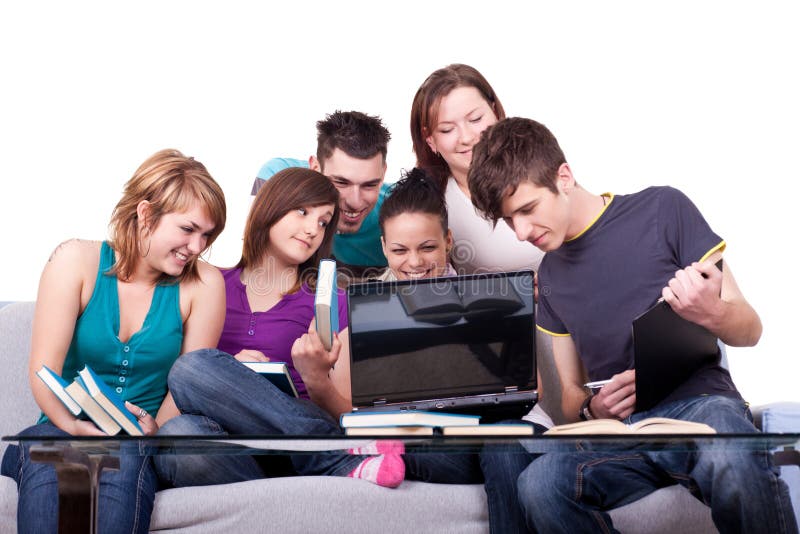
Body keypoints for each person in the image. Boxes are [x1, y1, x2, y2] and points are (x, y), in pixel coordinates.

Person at [468, 117, 798, 533]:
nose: (520, 232)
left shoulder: (663, 209)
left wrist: (710, 312)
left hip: (699, 408)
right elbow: (569, 396)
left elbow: (750, 330)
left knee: (729, 452)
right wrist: (593, 407)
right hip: (619, 433)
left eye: (528, 210)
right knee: (539, 483)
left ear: (563, 177)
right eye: (508, 219)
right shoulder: (549, 276)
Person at [0, 149, 228, 534]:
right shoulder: (75, 260)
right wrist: (72, 426)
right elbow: (44, 371)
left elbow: (187, 386)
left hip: (137, 439)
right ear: (145, 214)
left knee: (117, 473)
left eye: (207, 235)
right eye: (188, 229)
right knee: (54, 470)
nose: (197, 246)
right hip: (59, 426)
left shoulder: (204, 285)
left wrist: (153, 428)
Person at [155, 167, 405, 489]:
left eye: (323, 221)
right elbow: (181, 391)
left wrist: (316, 378)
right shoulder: (208, 283)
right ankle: (329, 461)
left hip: (298, 445)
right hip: (231, 448)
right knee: (180, 428)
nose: (313, 229)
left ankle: (329, 452)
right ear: (271, 206)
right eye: (302, 211)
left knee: (192, 367)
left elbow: (349, 415)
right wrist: (233, 371)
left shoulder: (333, 302)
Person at [410, 64, 543, 274]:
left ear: (495, 111)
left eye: (475, 119)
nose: (467, 138)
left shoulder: (539, 164)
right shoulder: (431, 204)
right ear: (430, 140)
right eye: (447, 129)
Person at [252, 110, 392, 275]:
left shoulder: (402, 212)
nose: (355, 202)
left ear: (383, 174)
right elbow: (257, 261)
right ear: (316, 168)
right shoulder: (277, 178)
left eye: (369, 185)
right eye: (341, 182)